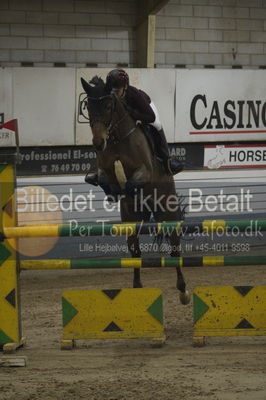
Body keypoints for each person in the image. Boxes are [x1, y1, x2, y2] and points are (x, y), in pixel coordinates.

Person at [85, 69, 182, 186]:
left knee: (157, 125)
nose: (114, 93)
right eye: (112, 90)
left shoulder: (134, 95)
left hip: (145, 109)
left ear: (125, 87)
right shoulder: (111, 94)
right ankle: (99, 169)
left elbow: (150, 117)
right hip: (129, 116)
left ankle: (167, 160)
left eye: (117, 90)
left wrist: (133, 114)